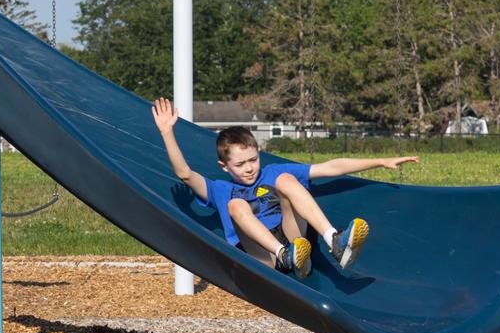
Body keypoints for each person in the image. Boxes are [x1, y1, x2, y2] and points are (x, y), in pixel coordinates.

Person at [150, 98, 416, 277]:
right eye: (240, 164)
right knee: (236, 205)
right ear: (225, 167)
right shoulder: (220, 189)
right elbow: (184, 173)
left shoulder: (272, 173)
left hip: (293, 238)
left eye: (253, 159)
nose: (250, 168)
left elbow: (330, 167)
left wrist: (381, 160)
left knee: (287, 180)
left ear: (259, 153)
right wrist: (166, 132)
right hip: (261, 253)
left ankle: (333, 240)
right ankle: (285, 256)